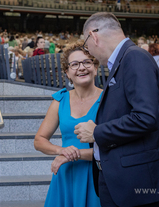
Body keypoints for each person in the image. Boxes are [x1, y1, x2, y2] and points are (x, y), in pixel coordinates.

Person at [74, 12, 159, 207]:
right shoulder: (125, 59)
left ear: (94, 36)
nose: (88, 50)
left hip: (134, 180)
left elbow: (145, 117)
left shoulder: (134, 57)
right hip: (124, 178)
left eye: (85, 44)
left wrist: (97, 132)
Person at [34, 40, 102, 207]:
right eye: (75, 64)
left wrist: (74, 154)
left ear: (96, 68)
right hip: (65, 176)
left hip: (96, 176)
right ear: (67, 72)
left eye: (87, 62)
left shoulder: (108, 99)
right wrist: (62, 150)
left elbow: (113, 149)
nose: (81, 67)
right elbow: (39, 140)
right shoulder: (60, 100)